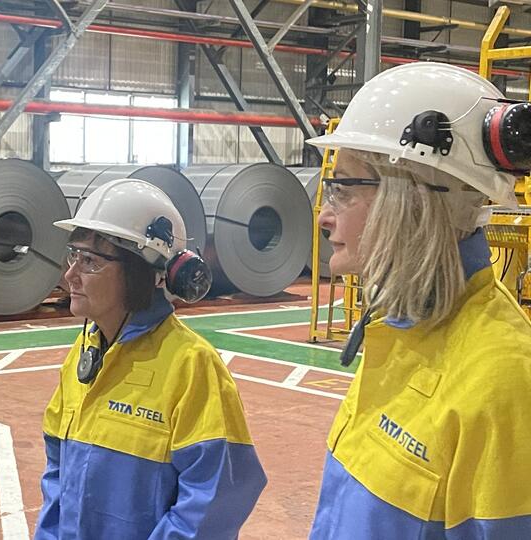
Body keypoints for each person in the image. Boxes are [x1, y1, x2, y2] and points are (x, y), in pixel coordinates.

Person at [307, 62, 531, 538]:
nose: (324, 216)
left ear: (415, 198)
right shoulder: (396, 329)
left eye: (343, 187)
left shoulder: (503, 384)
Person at [35, 179, 266, 540]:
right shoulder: (82, 357)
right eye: (74, 256)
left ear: (140, 272)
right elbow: (57, 472)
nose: (70, 275)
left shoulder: (191, 367)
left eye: (90, 261)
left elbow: (214, 502)